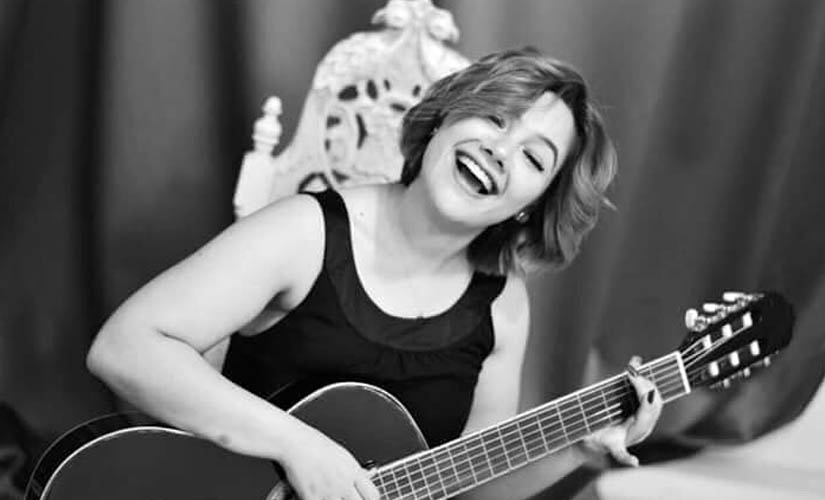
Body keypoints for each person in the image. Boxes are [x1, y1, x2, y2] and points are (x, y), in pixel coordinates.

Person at [87, 47, 663, 500]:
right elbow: (124, 348)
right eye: (494, 118)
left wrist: (579, 452)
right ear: (444, 119)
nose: (500, 150)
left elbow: (469, 483)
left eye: (534, 158)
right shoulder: (305, 232)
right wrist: (298, 447)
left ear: (531, 206)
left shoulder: (503, 304)